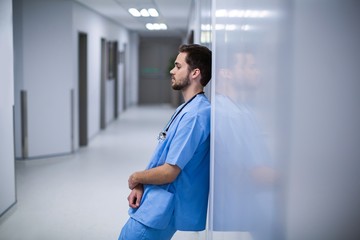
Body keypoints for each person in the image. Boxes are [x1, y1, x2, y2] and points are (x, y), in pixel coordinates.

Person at [118, 44, 212, 240]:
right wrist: (141, 184)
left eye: (178, 66)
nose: (172, 70)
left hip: (161, 209)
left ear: (195, 73)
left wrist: (137, 177)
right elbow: (162, 157)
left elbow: (170, 171)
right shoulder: (189, 108)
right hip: (156, 200)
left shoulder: (195, 116)